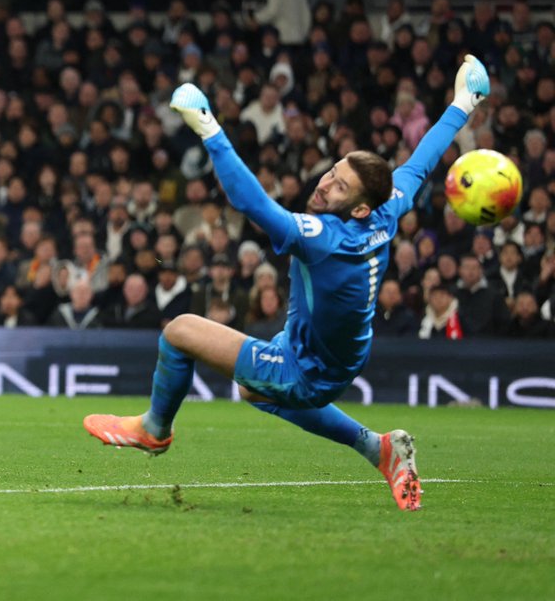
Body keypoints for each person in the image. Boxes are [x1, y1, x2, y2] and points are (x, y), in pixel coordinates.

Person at [83, 55, 492, 512]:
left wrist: (208, 128)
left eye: (339, 187)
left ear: (358, 208)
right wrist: (462, 103)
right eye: (332, 172)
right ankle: (378, 449)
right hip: (339, 355)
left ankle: (154, 431)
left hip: (307, 366)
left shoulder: (324, 238)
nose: (324, 185)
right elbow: (421, 162)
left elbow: (252, 203)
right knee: (251, 389)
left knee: (179, 332)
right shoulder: (385, 210)